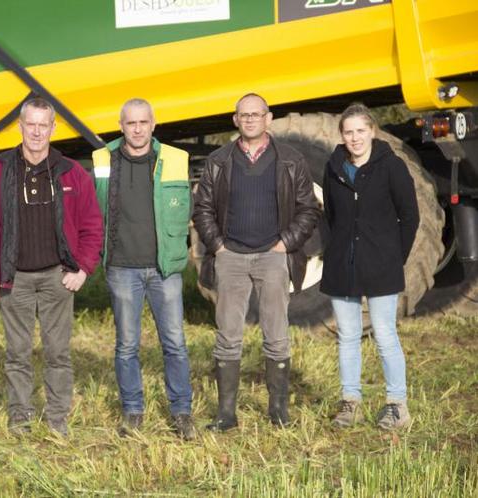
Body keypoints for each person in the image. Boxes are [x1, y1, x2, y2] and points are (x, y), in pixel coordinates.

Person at [0, 97, 103, 437]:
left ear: (53, 128)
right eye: (30, 124)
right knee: (17, 353)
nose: (36, 132)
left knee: (58, 352)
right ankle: (20, 417)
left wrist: (84, 269)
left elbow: (92, 226)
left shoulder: (72, 172)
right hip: (14, 278)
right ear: (20, 126)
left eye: (43, 125)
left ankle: (57, 417)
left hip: (57, 277)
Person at [193, 93, 319, 429]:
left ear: (268, 118)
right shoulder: (219, 160)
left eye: (256, 114)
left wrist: (284, 244)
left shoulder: (290, 160)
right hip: (231, 256)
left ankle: (278, 411)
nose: (249, 120)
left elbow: (309, 210)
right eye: (243, 115)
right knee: (228, 335)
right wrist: (218, 247)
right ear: (235, 120)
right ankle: (226, 414)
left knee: (276, 334)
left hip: (272, 256)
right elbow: (202, 208)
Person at [93, 98, 195, 440]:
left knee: (175, 344)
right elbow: (93, 209)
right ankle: (133, 411)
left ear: (153, 124)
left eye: (143, 122)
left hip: (163, 269)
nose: (137, 129)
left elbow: (188, 208)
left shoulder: (175, 159)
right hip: (122, 268)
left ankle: (181, 412)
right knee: (126, 345)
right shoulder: (103, 159)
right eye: (130, 123)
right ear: (121, 126)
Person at [321, 103, 419, 430]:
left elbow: (410, 217)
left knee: (385, 334)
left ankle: (397, 405)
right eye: (348, 132)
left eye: (360, 130)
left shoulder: (392, 167)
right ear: (342, 136)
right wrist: (338, 249)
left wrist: (394, 256)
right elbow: (332, 216)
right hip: (342, 265)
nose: (355, 138)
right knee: (347, 336)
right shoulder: (334, 167)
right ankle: (350, 402)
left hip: (382, 265)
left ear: (372, 131)